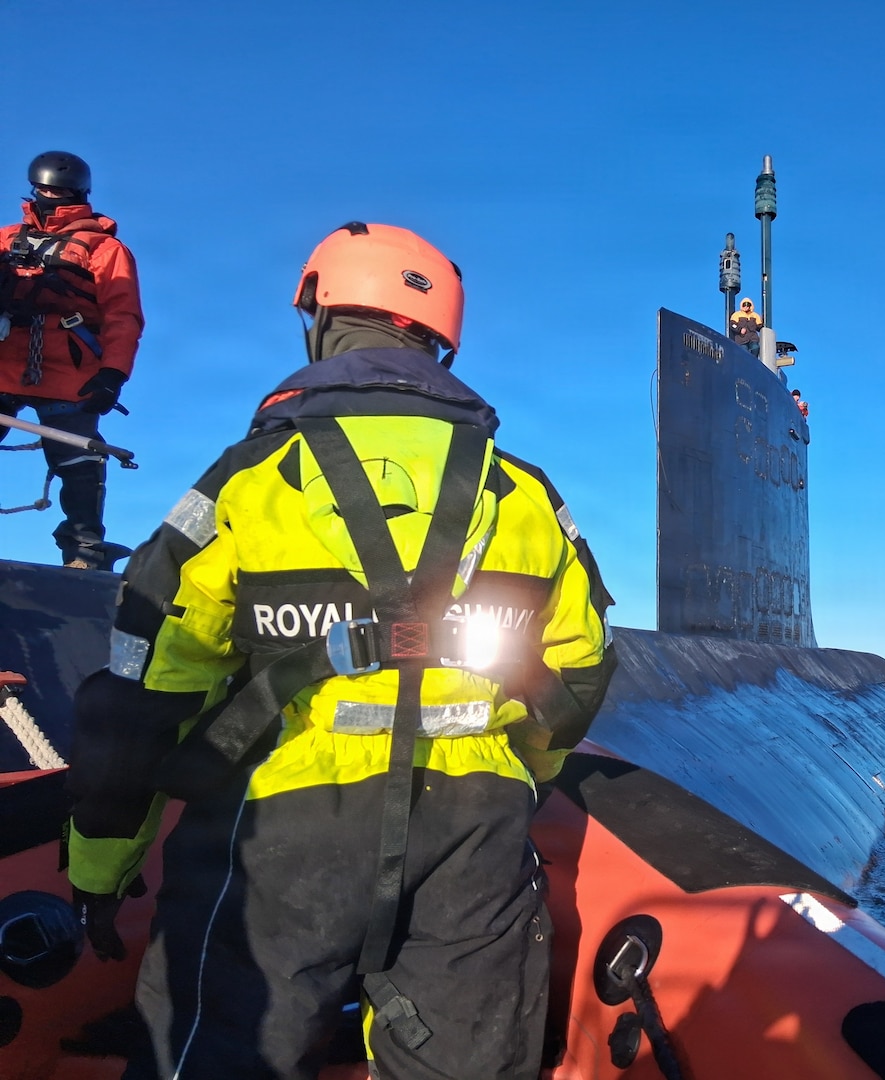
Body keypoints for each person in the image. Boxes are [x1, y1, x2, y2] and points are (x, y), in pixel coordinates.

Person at [65, 222, 616, 1079]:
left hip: (278, 838)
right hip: (475, 841)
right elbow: (577, 677)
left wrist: (100, 868)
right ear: (437, 339)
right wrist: (517, 773)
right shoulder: (525, 496)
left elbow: (142, 692)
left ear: (320, 319)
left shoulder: (248, 483)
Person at [0, 151, 143, 568]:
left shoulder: (105, 249)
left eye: (58, 192)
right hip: (5, 365)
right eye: (43, 190)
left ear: (78, 194)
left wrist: (112, 373)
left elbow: (123, 315)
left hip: (71, 371)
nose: (49, 197)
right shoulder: (6, 240)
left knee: (78, 460)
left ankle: (83, 553)